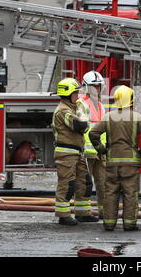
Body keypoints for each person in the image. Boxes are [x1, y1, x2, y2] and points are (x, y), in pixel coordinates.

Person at [89, 85, 141, 231]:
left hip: (112, 161)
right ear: (130, 100)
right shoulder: (137, 117)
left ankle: (109, 223)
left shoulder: (108, 117)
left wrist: (101, 149)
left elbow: (93, 134)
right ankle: (129, 223)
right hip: (130, 162)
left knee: (111, 192)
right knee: (130, 193)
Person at [52, 78, 99, 225]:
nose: (78, 95)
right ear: (68, 94)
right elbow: (80, 125)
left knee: (84, 182)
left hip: (77, 152)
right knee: (67, 184)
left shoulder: (72, 107)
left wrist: (79, 112)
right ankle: (63, 215)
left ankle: (82, 212)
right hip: (66, 153)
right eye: (76, 93)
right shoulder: (63, 110)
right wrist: (82, 115)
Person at [77, 71, 107, 219]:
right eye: (94, 86)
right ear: (87, 87)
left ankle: (104, 212)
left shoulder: (101, 105)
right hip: (86, 152)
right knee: (84, 183)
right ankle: (83, 213)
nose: (97, 89)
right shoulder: (81, 104)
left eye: (99, 86)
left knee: (103, 183)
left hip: (100, 151)